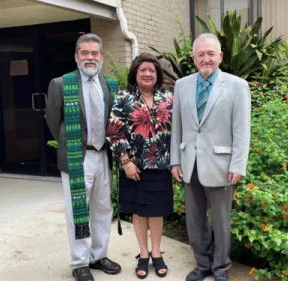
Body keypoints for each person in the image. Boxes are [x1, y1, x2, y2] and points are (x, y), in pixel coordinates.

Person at [170, 33, 251, 281]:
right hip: (189, 164)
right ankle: (202, 264)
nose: (206, 58)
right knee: (194, 221)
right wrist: (175, 160)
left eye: (211, 53)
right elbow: (178, 126)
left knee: (221, 222)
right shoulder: (182, 85)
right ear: (193, 58)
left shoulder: (237, 86)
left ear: (220, 56)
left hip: (222, 165)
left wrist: (238, 164)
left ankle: (221, 269)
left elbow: (242, 129)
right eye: (201, 54)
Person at [46, 33, 121, 281]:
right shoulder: (61, 84)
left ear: (101, 57)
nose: (91, 58)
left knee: (102, 208)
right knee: (76, 210)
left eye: (95, 53)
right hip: (78, 156)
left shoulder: (110, 84)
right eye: (85, 53)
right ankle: (79, 262)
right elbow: (53, 122)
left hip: (103, 155)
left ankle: (98, 256)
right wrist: (73, 143)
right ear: (77, 56)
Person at [106, 53, 173, 279]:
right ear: (135, 73)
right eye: (142, 69)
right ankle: (143, 254)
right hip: (134, 166)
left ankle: (156, 252)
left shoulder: (167, 98)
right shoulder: (124, 97)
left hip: (161, 165)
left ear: (157, 75)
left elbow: (179, 129)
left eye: (152, 70)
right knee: (139, 211)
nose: (147, 73)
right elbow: (114, 130)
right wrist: (125, 162)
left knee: (156, 211)